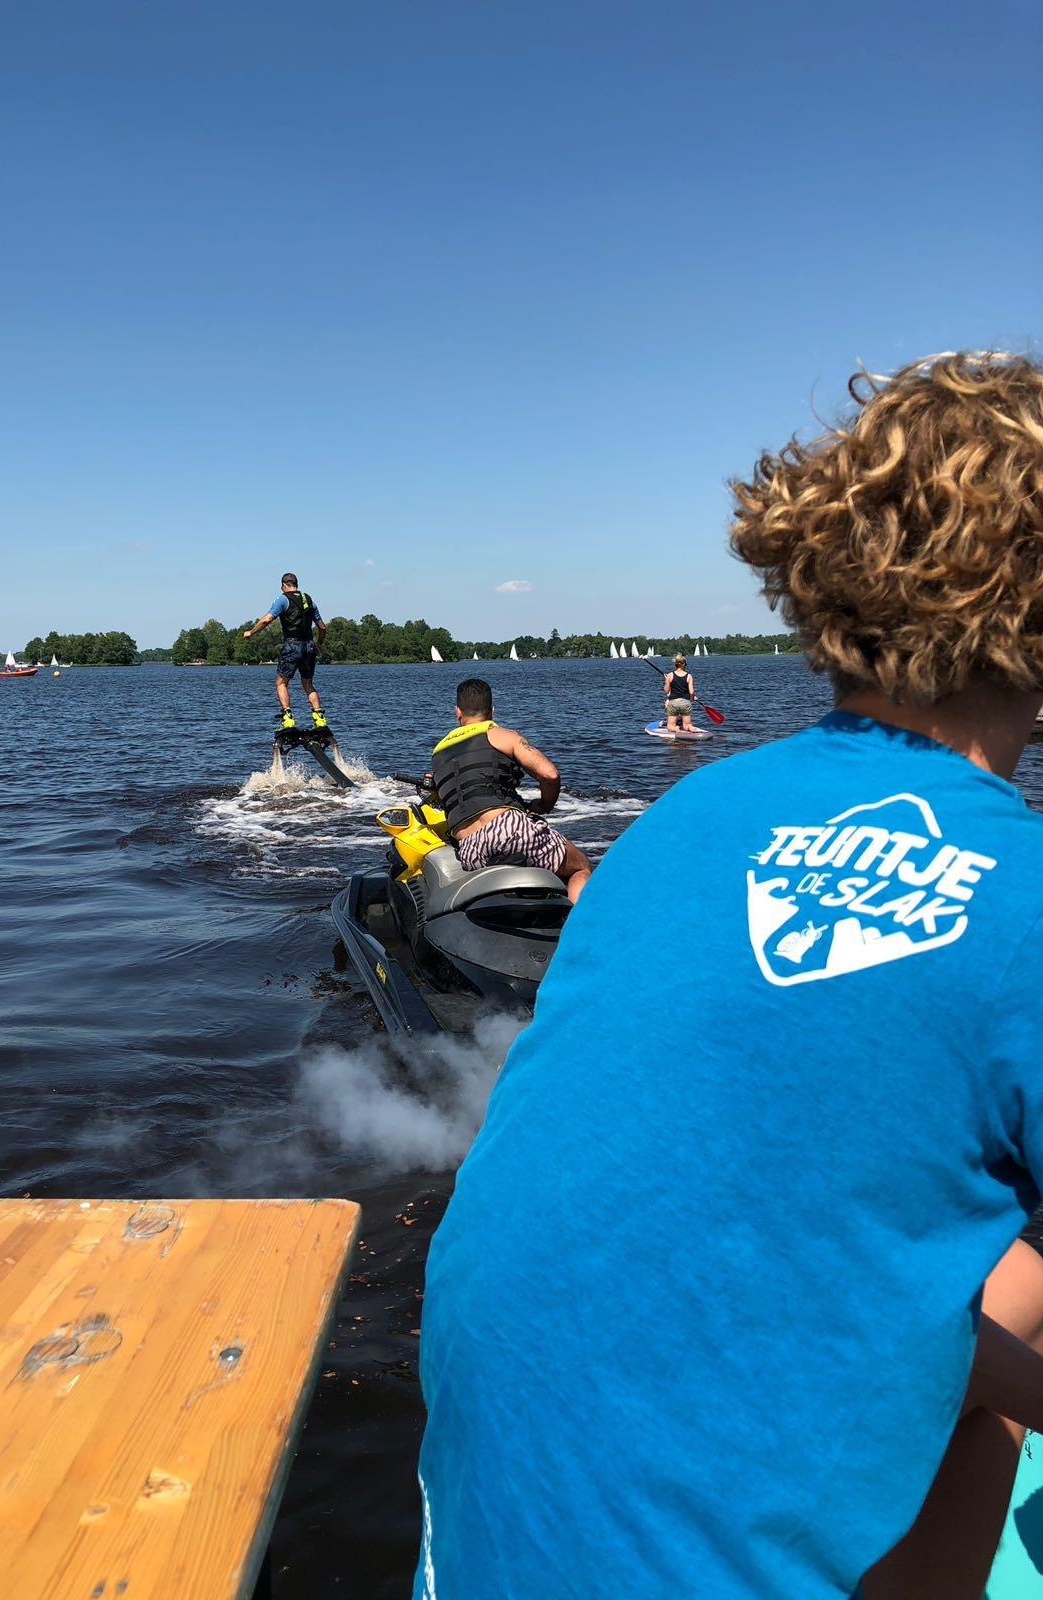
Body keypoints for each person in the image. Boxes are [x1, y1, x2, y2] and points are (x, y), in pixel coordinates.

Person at [412, 353, 1043, 1600]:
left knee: (1004, 1280)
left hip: (478, 1549)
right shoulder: (1023, 888)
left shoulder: (681, 821)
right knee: (999, 1399)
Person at [425, 677, 591, 905]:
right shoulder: (502, 735)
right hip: (509, 830)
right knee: (580, 867)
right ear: (492, 711)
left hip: (470, 849)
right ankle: (576, 931)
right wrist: (544, 805)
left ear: (458, 712)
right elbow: (550, 774)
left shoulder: (438, 752)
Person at [243, 572, 329, 731]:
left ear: (284, 585)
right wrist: (319, 643)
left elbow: (267, 619)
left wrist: (251, 632)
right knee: (308, 684)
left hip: (292, 645)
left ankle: (288, 719)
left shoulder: (283, 599)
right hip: (309, 647)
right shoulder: (309, 600)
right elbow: (322, 627)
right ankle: (320, 719)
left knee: (281, 683)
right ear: (296, 584)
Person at [663, 651, 696, 731]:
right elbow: (691, 692)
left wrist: (666, 680)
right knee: (686, 725)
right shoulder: (689, 676)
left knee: (670, 726)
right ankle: (690, 727)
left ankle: (675, 728)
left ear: (676, 664)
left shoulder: (670, 675)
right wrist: (692, 698)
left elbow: (666, 691)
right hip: (685, 702)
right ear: (684, 664)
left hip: (673, 702)